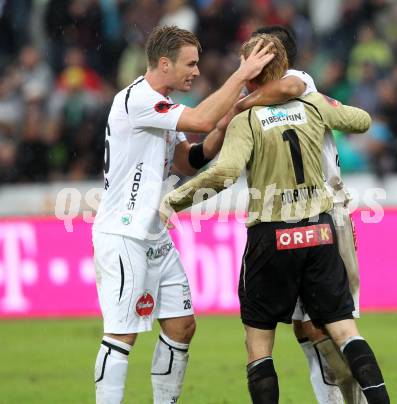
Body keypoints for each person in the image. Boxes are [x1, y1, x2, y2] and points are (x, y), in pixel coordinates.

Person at [160, 34, 390, 404]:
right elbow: (360, 121)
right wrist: (326, 104)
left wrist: (173, 199)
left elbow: (224, 173)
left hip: (272, 237)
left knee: (260, 346)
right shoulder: (312, 103)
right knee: (346, 331)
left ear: (249, 73)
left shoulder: (246, 118)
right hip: (320, 231)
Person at [92, 25, 274, 404]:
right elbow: (201, 121)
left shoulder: (162, 108)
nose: (195, 71)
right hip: (125, 234)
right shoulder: (137, 100)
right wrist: (239, 76)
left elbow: (190, 160)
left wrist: (230, 118)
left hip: (154, 234)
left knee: (182, 326)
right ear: (164, 63)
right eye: (190, 64)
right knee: (122, 334)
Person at [236, 25, 366, 404]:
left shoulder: (298, 81)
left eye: (256, 56)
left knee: (333, 325)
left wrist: (237, 103)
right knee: (306, 329)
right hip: (290, 215)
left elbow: (289, 88)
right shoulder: (268, 100)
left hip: (327, 211)